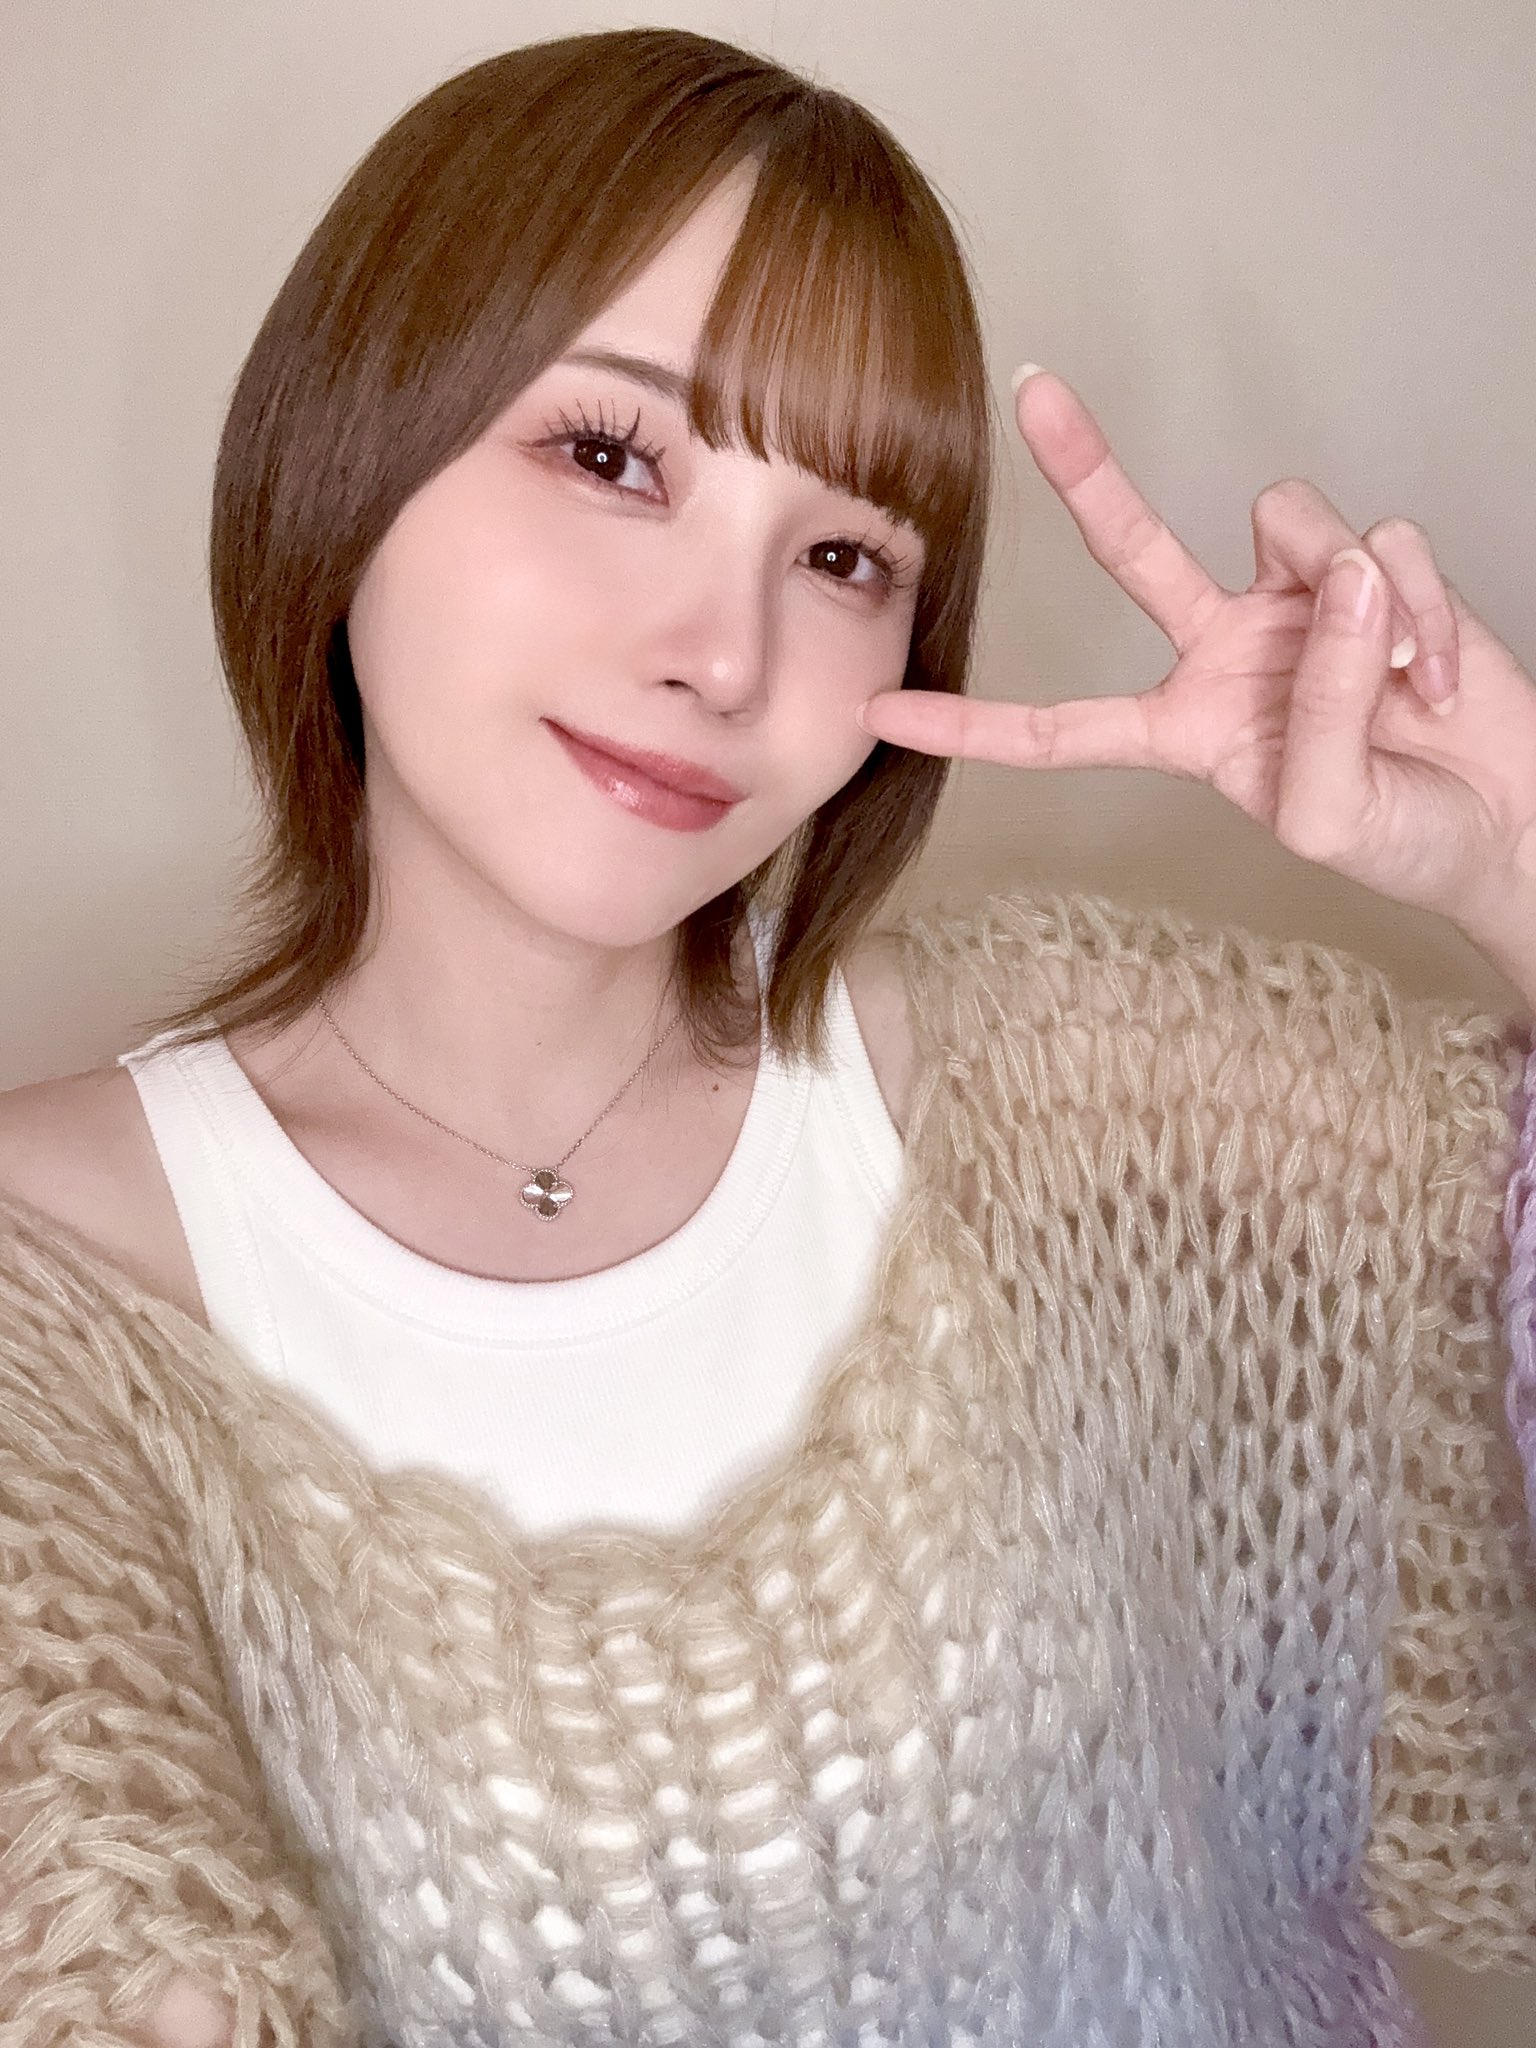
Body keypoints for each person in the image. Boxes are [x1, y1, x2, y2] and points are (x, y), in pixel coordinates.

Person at [1, 25, 1533, 2048]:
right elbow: (92, 1890)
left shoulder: (1082, 1102)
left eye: (842, 557)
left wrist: (1515, 854)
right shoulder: (52, 1302)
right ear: (350, 441)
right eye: (612, 457)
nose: (724, 655)